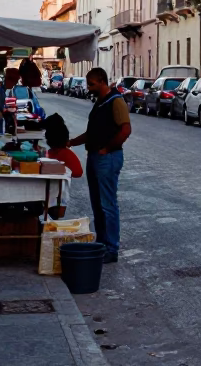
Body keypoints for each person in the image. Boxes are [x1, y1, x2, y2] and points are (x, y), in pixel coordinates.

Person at [70, 68, 131, 263]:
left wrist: (107, 148)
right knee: (97, 204)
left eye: (92, 84)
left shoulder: (116, 101)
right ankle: (102, 244)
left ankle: (112, 248)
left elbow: (126, 130)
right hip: (95, 156)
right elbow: (91, 132)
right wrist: (71, 142)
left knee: (108, 204)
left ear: (102, 82)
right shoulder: (99, 103)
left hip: (107, 158)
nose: (89, 88)